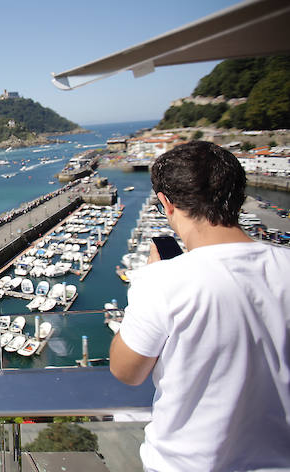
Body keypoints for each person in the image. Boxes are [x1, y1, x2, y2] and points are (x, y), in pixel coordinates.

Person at [110, 141, 290, 471]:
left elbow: (126, 371)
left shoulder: (163, 281)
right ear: (238, 194)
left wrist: (145, 285)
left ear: (167, 203)